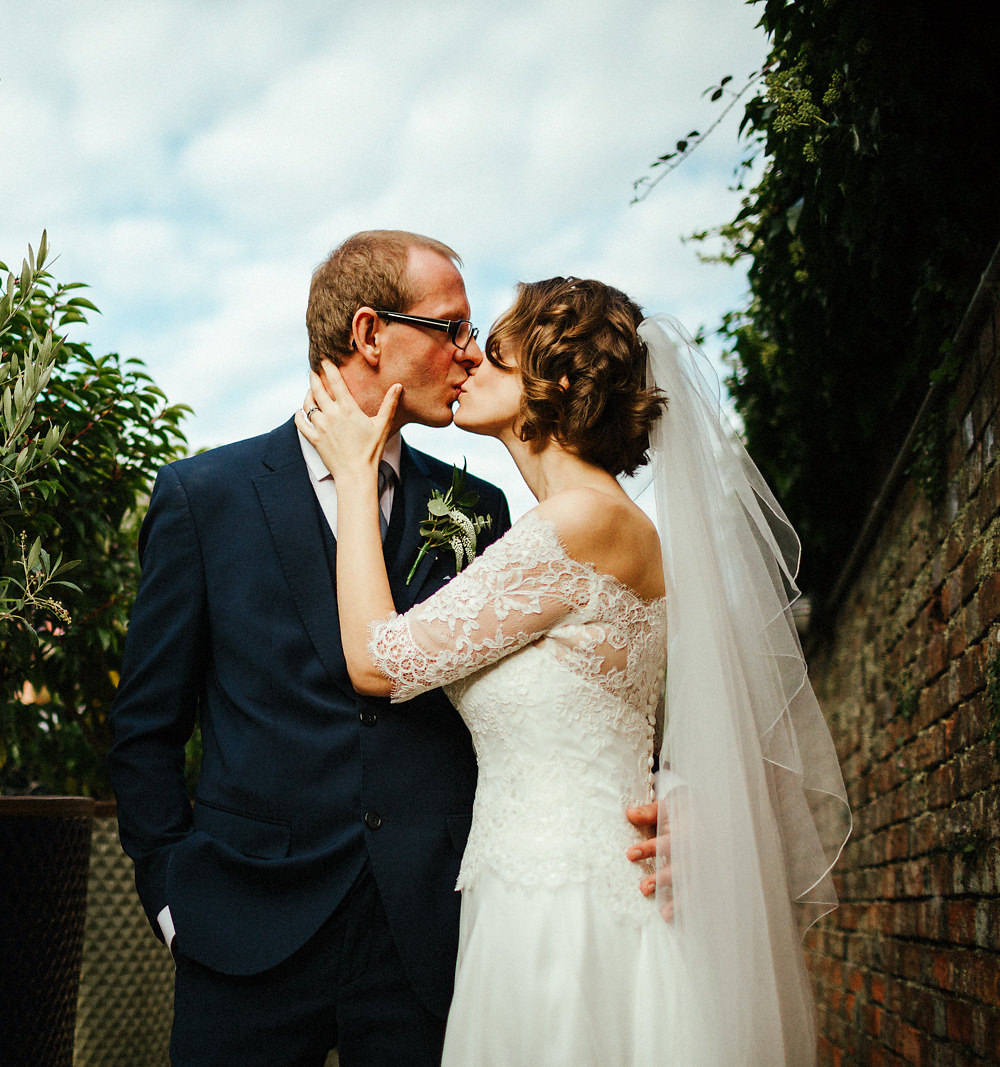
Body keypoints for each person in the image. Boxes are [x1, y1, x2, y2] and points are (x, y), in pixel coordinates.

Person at [106, 234, 657, 1064]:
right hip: (244, 927)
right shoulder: (204, 498)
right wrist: (172, 894)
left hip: (432, 934)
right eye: (451, 327)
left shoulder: (481, 506)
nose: (468, 355)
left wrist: (669, 800)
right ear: (370, 333)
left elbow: (591, 675)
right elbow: (145, 725)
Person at [297, 276, 851, 1064]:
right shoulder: (594, 526)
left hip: (564, 911)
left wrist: (354, 476)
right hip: (538, 890)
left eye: (492, 353)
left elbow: (378, 662)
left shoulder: (581, 522)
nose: (466, 365)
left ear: (553, 382)